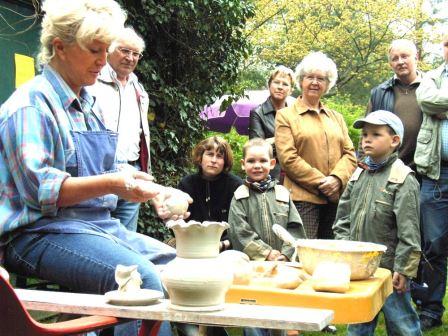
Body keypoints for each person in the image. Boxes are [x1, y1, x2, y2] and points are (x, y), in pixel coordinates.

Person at [0, 1, 188, 335]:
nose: (103, 62)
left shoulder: (87, 105)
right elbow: (41, 191)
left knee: (179, 268)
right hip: (35, 234)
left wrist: (156, 191)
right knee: (138, 279)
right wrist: (115, 184)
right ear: (59, 47)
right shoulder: (30, 106)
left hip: (94, 226)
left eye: (106, 50)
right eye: (94, 50)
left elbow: (110, 165)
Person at [333, 110, 422, 336]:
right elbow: (343, 218)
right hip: (359, 269)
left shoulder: (402, 178)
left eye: (375, 134)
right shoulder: (358, 175)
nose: (366, 140)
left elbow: (409, 230)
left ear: (394, 141)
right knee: (358, 324)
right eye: (364, 135)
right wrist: (345, 252)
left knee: (403, 325)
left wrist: (404, 268)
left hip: (390, 271)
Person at [275, 51, 357, 240]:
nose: (315, 82)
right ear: (301, 80)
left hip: (335, 199)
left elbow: (350, 154)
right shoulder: (286, 116)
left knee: (332, 256)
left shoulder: (337, 117)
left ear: (327, 85)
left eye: (321, 78)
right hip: (303, 200)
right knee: (304, 255)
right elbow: (288, 158)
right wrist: (323, 184)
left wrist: (336, 179)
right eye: (310, 77)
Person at [89, 26, 149, 232]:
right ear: (109, 49)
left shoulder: (138, 89)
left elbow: (141, 134)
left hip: (132, 170)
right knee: (98, 233)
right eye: (124, 51)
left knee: (127, 238)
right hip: (100, 170)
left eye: (135, 54)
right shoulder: (92, 82)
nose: (130, 58)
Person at [414, 33, 448, 331]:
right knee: (433, 245)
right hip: (437, 175)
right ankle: (431, 308)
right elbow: (425, 100)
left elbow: (436, 104)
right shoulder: (431, 78)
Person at [228, 138, 306, 262]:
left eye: (263, 161)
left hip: (283, 264)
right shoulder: (240, 196)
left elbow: (295, 228)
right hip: (251, 264)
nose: (257, 166)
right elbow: (239, 232)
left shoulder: (282, 194)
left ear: (272, 163)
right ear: (243, 164)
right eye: (251, 161)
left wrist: (285, 254)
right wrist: (265, 253)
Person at [360, 39, 423, 172]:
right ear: (390, 64)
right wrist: (362, 161)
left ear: (416, 57)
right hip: (387, 170)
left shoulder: (432, 88)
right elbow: (366, 131)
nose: (400, 62)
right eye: (395, 58)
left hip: (424, 171)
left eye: (404, 56)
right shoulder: (379, 93)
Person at [178, 136, 243, 251]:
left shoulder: (235, 185)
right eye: (209, 154)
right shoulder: (187, 184)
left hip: (227, 246)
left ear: (225, 162)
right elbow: (180, 221)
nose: (214, 160)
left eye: (219, 156)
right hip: (192, 244)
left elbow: (240, 226)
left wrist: (223, 244)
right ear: (200, 157)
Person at [249, 66, 295, 181]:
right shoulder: (257, 113)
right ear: (269, 85)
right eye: (276, 82)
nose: (280, 87)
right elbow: (257, 148)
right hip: (269, 174)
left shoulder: (295, 113)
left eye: (285, 84)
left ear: (291, 90)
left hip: (294, 171)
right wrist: (285, 137)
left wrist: (270, 141)